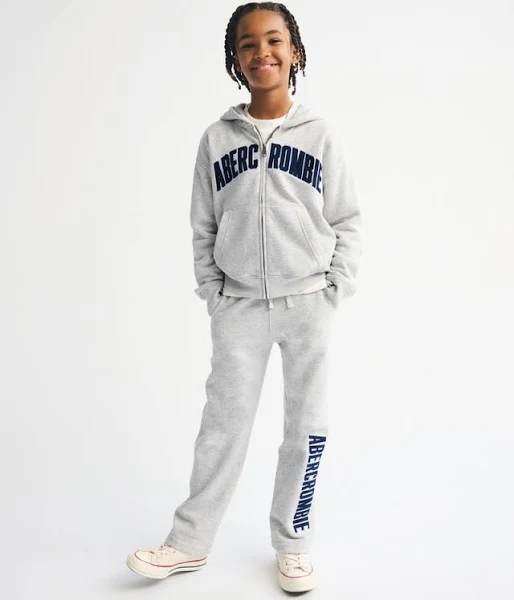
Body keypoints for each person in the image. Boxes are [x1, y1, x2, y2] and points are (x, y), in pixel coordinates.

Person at [126, 1, 363, 593]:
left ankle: (293, 544)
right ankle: (189, 542)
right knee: (222, 426)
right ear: (235, 59)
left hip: (308, 302)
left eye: (274, 40)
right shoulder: (216, 139)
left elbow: (346, 218)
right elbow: (202, 223)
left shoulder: (320, 134)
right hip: (238, 307)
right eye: (248, 44)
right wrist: (213, 289)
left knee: (306, 427)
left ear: (295, 51)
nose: (263, 52)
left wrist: (336, 285)